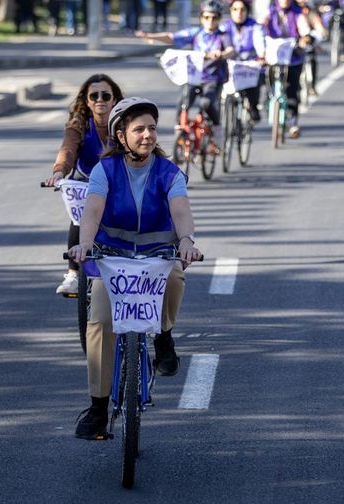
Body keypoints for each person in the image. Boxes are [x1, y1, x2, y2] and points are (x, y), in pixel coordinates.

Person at [67, 97, 202, 439]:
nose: (147, 135)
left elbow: (181, 210)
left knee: (175, 275)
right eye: (139, 129)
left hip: (158, 258)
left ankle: (164, 336)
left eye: (152, 129)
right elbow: (93, 212)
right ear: (120, 135)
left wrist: (186, 240)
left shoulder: (169, 172)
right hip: (111, 260)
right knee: (99, 323)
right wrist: (84, 244)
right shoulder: (104, 170)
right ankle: (98, 408)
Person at [45, 74, 124, 295]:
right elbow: (67, 149)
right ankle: (73, 273)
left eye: (106, 95)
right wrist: (59, 172)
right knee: (78, 217)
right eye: (94, 96)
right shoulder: (79, 123)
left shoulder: (125, 122)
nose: (100, 99)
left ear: (114, 99)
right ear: (87, 101)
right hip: (85, 181)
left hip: (118, 181)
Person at [136, 0, 235, 150]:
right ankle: (180, 129)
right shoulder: (196, 33)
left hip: (213, 78)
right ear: (201, 18)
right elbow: (171, 37)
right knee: (183, 100)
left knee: (206, 103)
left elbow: (231, 50)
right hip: (195, 77)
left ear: (219, 19)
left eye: (214, 18)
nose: (210, 21)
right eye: (207, 17)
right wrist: (149, 36)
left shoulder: (223, 36)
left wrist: (221, 54)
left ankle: (217, 129)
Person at [262, 0, 313, 138]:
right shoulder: (270, 11)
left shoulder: (297, 13)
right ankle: (269, 106)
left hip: (293, 58)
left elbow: (305, 31)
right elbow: (260, 26)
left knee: (292, 91)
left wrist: (304, 39)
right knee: (268, 84)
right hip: (274, 58)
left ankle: (293, 121)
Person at [221, 0, 265, 122]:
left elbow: (260, 43)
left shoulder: (255, 26)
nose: (239, 13)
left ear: (247, 11)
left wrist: (261, 56)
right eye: (235, 9)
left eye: (242, 10)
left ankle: (253, 107)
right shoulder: (224, 27)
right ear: (230, 11)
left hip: (250, 65)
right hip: (231, 66)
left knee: (254, 84)